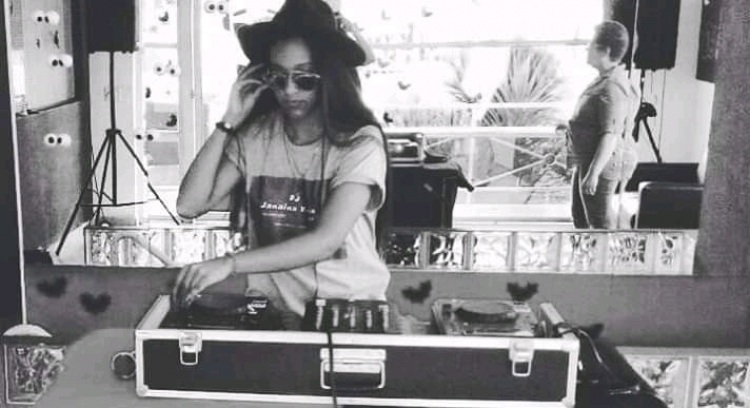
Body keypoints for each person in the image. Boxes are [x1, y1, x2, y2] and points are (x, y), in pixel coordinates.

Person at [172, 0, 390, 328]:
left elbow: (326, 241)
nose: (289, 90)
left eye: (305, 79)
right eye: (277, 77)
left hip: (347, 312)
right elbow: (189, 205)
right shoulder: (258, 136)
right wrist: (228, 121)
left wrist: (229, 264)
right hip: (275, 314)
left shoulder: (359, 143)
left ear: (330, 78)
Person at [566, 20, 639, 229]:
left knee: (598, 223)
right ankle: (584, 250)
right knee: (580, 217)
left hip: (601, 163)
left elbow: (610, 134)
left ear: (605, 51)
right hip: (588, 158)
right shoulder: (605, 79)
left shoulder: (612, 87)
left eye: (590, 44)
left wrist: (594, 173)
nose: (586, 48)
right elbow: (596, 119)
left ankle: (601, 252)